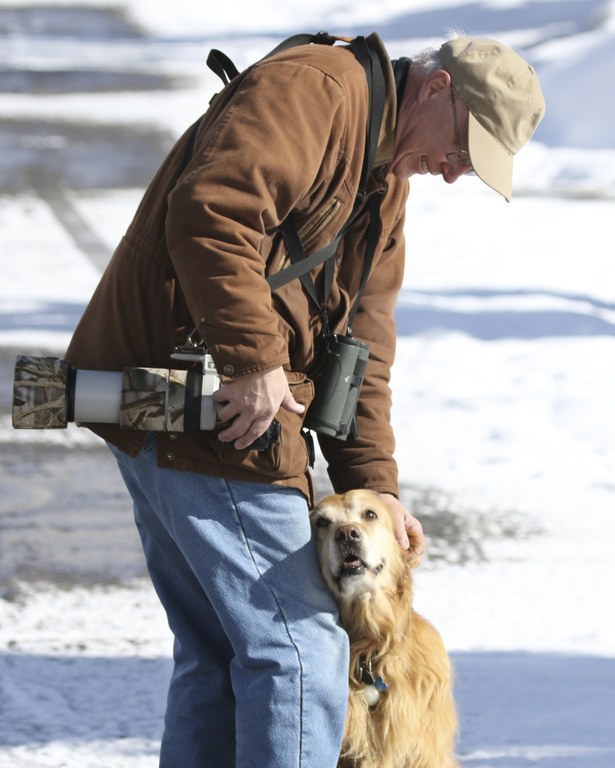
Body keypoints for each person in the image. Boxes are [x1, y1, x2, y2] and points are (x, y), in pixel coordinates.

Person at [65, 32, 544, 768]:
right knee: (298, 651)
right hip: (201, 407)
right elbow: (212, 211)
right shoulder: (315, 91)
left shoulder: (385, 178)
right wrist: (252, 359)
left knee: (221, 654)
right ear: (437, 89)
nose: (453, 174)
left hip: (194, 405)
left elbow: (364, 346)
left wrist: (376, 485)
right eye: (462, 148)